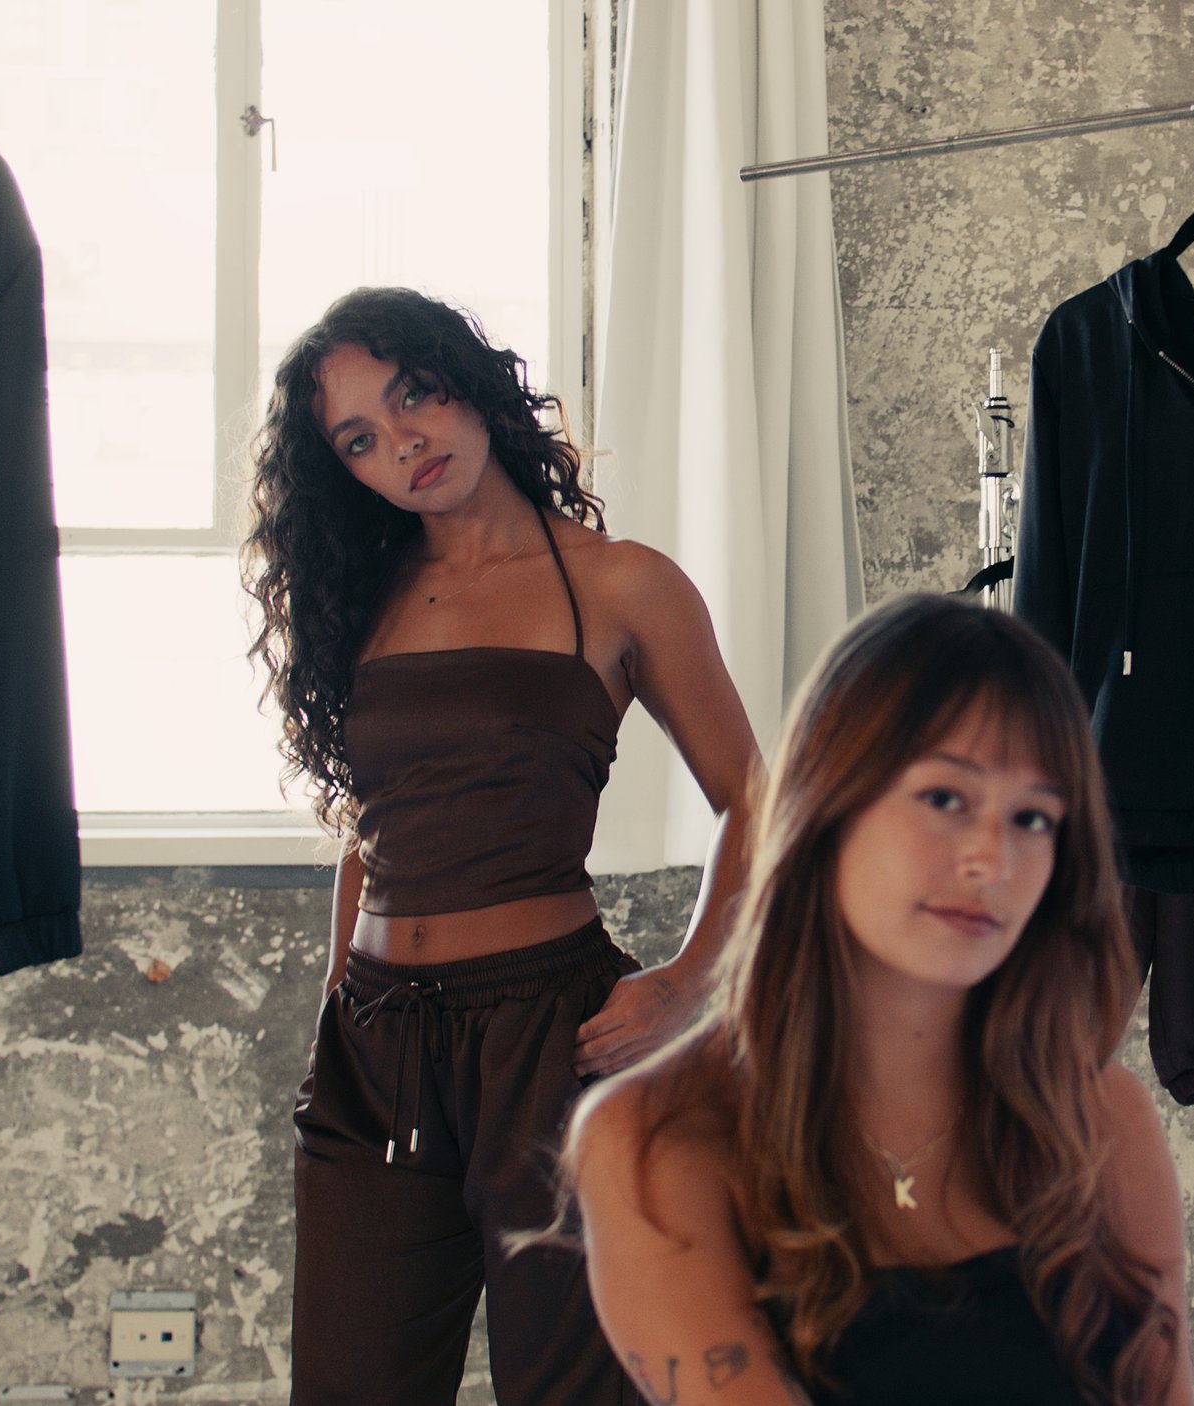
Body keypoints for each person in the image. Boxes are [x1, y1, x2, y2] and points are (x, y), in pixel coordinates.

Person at [243, 287, 760, 1406]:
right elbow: (375, 820)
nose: (402, 444)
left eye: (413, 395)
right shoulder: (363, 595)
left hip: (549, 1038)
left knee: (574, 1389)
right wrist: (338, 999)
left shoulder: (623, 584)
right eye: (358, 440)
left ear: (470, 383)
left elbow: (758, 803)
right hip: (377, 1044)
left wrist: (689, 983)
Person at [562, 594, 1194, 1406]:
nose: (992, 858)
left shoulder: (1104, 1118)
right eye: (945, 799)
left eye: (1034, 817)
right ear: (826, 806)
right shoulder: (654, 1138)